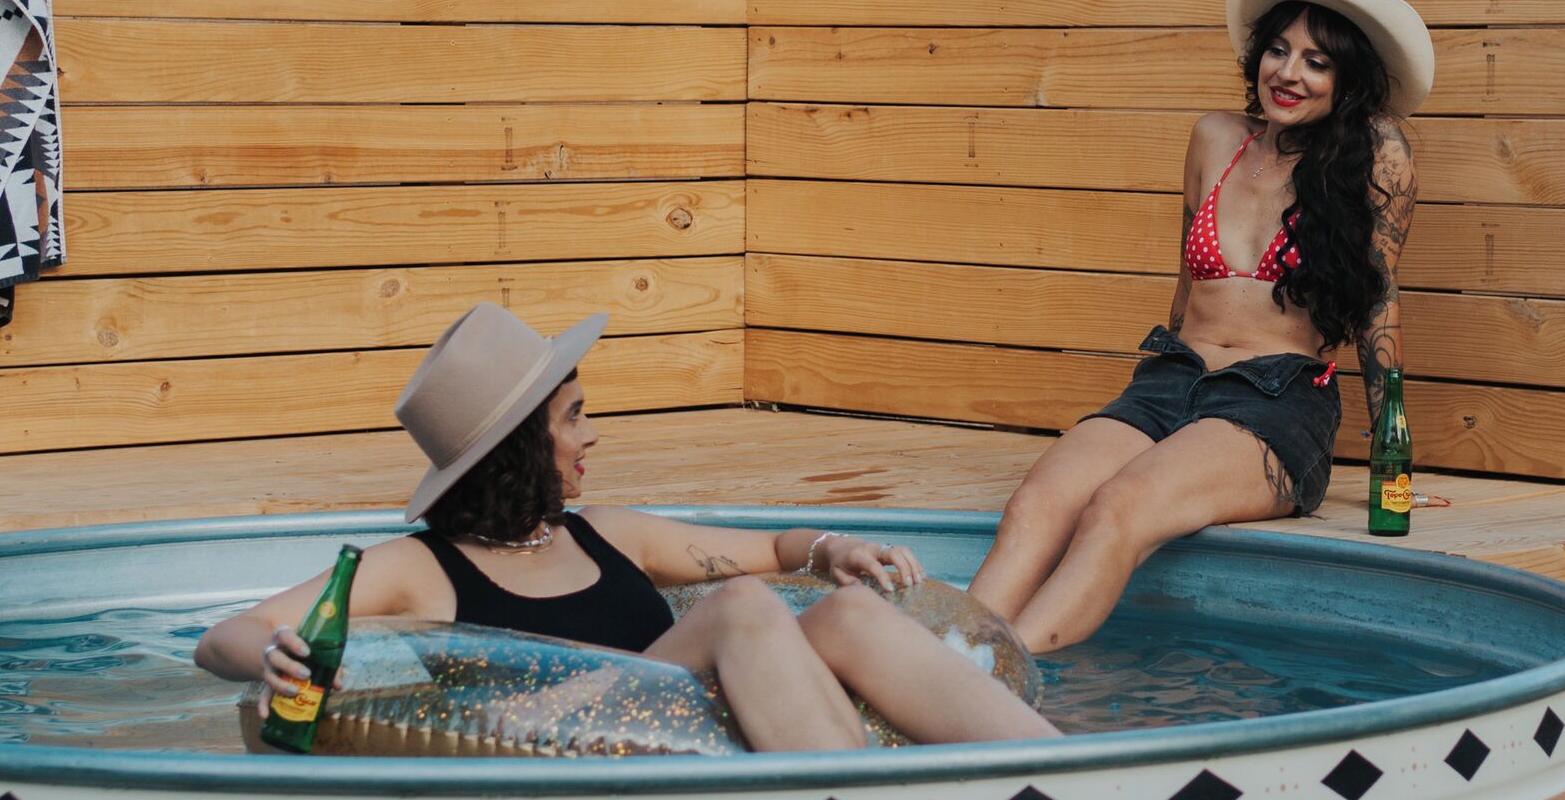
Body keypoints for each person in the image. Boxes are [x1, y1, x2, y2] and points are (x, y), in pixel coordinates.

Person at [195, 302, 1056, 752]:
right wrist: (276, 654)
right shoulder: (423, 571)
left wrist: (833, 550)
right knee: (742, 609)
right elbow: (224, 637)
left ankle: (1062, 771)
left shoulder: (607, 532)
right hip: (558, 735)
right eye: (573, 419)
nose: (591, 436)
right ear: (521, 450)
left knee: (843, 615)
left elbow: (772, 550)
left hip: (689, 720)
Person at [970, 0, 1429, 654]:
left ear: (1350, 78)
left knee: (1118, 508)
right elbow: (1185, 288)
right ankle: (931, 668)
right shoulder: (1215, 138)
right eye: (1279, 50)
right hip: (1172, 378)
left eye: (1317, 60)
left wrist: (1391, 449)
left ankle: (996, 680)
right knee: (1036, 505)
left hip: (1276, 401)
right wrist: (1152, 387)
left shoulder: (1377, 157)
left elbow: (1378, 303)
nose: (1289, 72)